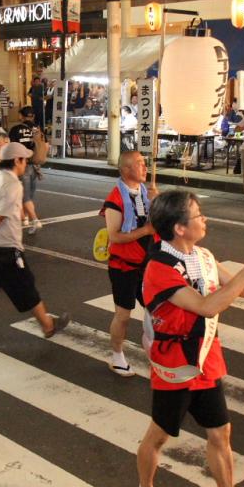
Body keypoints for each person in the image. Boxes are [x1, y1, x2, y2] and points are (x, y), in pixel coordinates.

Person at [133, 190, 244, 487]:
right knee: (159, 436)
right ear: (179, 228)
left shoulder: (203, 256)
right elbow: (207, 307)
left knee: (220, 432)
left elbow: (238, 288)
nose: (204, 218)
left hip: (206, 359)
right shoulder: (159, 269)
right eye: (197, 214)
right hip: (176, 365)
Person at [0, 142, 70, 348]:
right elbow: (0, 215)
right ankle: (47, 325)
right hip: (6, 248)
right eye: (24, 160)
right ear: (16, 161)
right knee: (25, 285)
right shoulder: (12, 185)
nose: (25, 164)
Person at [100, 150, 158, 376]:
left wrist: (156, 202)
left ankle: (156, 353)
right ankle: (116, 356)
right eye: (140, 164)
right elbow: (114, 236)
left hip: (147, 264)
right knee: (123, 315)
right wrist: (145, 230)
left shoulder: (145, 192)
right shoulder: (115, 199)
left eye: (144, 163)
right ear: (125, 170)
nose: (145, 168)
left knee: (157, 310)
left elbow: (157, 225)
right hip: (123, 265)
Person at [8, 106, 44, 233]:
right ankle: (26, 220)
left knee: (24, 197)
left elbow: (11, 147)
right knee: (29, 196)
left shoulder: (16, 129)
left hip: (21, 165)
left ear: (21, 116)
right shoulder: (37, 129)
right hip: (34, 166)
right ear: (32, 116)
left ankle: (34, 221)